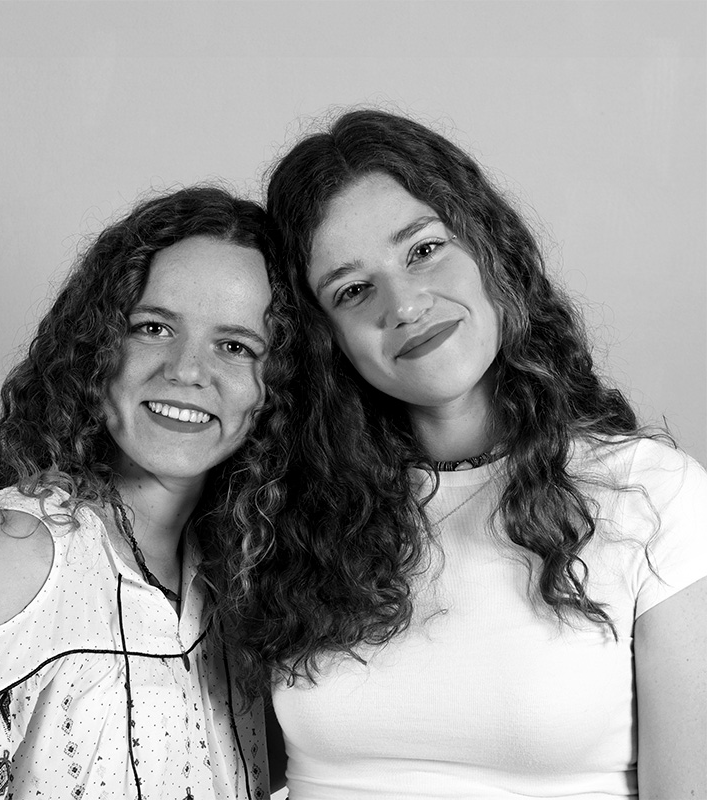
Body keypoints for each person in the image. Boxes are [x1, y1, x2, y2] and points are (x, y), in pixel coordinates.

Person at [207, 110, 707, 799]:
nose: (404, 304)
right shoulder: (285, 508)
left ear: (487, 246)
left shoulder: (652, 495)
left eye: (422, 250)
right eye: (353, 290)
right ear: (326, 338)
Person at [0, 187, 285, 799]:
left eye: (236, 346)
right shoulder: (26, 545)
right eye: (154, 327)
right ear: (96, 351)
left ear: (278, 390)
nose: (187, 370)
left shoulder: (238, 575)